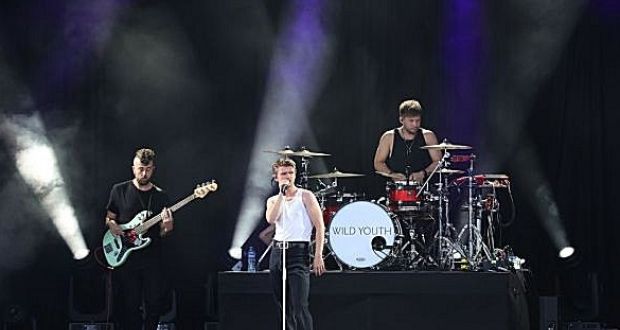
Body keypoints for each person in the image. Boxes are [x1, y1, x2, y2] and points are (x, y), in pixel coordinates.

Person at [104, 148, 174, 330]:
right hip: (127, 259)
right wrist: (112, 225)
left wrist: (167, 227)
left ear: (154, 169)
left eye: (148, 169)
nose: (144, 173)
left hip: (152, 259)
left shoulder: (161, 196)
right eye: (140, 168)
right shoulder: (119, 190)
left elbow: (163, 233)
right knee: (129, 304)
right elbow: (110, 217)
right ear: (133, 168)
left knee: (154, 303)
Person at [265, 158, 325, 330]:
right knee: (283, 306)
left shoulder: (305, 196)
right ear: (276, 177)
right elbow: (271, 219)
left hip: (298, 253)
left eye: (291, 173)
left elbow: (320, 226)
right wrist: (281, 196)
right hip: (277, 253)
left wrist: (318, 255)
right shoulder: (273, 200)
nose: (288, 177)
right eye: (284, 173)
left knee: (299, 305)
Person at [374, 98, 442, 183]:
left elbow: (438, 162)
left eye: (418, 121)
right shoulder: (389, 137)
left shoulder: (428, 136)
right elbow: (378, 163)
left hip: (422, 189)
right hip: (397, 189)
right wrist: (392, 174)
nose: (415, 124)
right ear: (401, 120)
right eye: (411, 121)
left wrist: (423, 173)